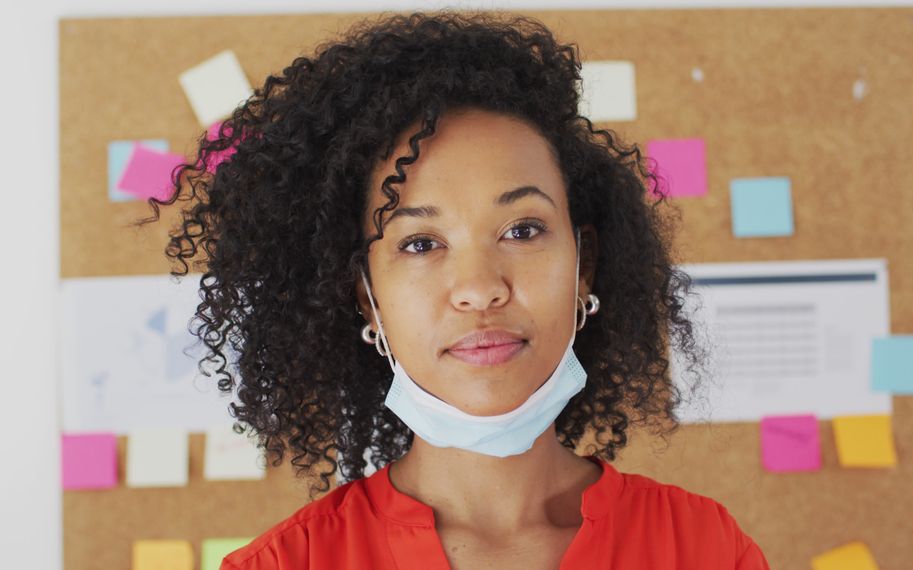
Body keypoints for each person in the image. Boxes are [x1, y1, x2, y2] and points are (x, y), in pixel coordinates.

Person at [139, 9, 770, 569]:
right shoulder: (286, 565)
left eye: (523, 230)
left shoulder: (703, 548)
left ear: (585, 265)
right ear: (365, 295)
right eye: (420, 243)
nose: (479, 289)